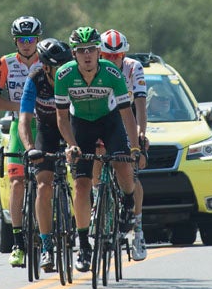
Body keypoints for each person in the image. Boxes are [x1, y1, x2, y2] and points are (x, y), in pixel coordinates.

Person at [54, 26, 141, 274]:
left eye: (92, 49)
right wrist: (72, 145)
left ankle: (126, 201)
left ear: (99, 52)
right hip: (80, 124)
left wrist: (134, 147)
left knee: (122, 162)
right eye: (81, 51)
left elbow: (126, 113)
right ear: (74, 54)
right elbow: (61, 118)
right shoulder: (63, 76)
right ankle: (83, 246)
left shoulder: (112, 73)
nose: (87, 55)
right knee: (81, 184)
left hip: (109, 119)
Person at [0, 15, 44, 268]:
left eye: (31, 39)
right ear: (15, 41)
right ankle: (19, 243)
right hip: (17, 125)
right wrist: (22, 108)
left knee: (47, 180)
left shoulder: (48, 60)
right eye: (21, 40)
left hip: (44, 124)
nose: (26, 44)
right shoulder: (6, 62)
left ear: (38, 40)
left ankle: (49, 238)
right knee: (16, 180)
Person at [19, 37, 74, 273]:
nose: (64, 70)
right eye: (58, 66)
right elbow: (24, 119)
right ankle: (46, 244)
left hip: (72, 128)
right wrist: (30, 147)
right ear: (45, 67)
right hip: (47, 132)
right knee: (43, 185)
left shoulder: (74, 78)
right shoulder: (35, 80)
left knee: (82, 178)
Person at [100, 28, 149, 261]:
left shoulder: (133, 67)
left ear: (123, 55)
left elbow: (139, 103)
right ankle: (97, 203)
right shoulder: (94, 68)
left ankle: (138, 230)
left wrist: (141, 132)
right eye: (107, 56)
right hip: (101, 118)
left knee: (130, 170)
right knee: (96, 157)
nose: (112, 60)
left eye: (116, 56)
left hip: (126, 117)